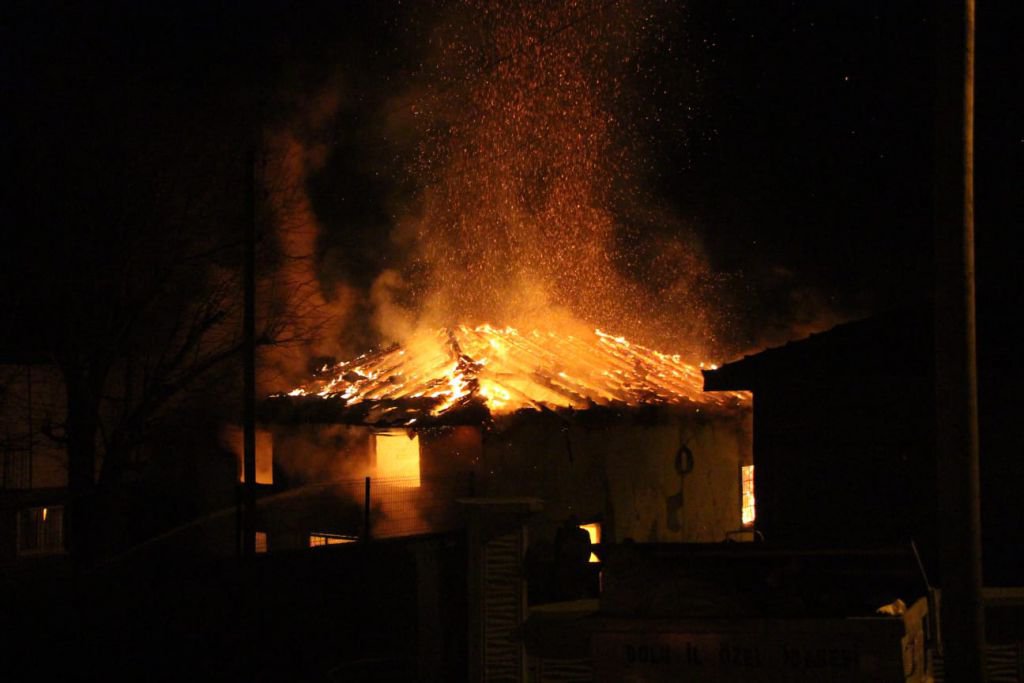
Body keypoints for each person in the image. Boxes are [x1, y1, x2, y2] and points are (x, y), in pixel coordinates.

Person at [553, 514, 592, 599]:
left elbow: (587, 548)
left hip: (576, 564)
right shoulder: (564, 534)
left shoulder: (581, 534)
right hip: (569, 565)